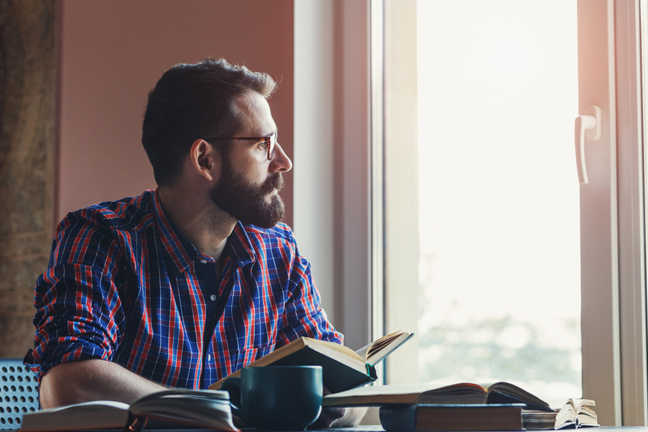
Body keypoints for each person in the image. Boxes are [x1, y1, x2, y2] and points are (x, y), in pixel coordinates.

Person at [24, 58, 366, 427]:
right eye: (264, 145)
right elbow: (68, 385)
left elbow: (351, 393)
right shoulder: (101, 237)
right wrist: (221, 410)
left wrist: (333, 402)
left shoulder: (279, 253)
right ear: (205, 159)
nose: (284, 162)